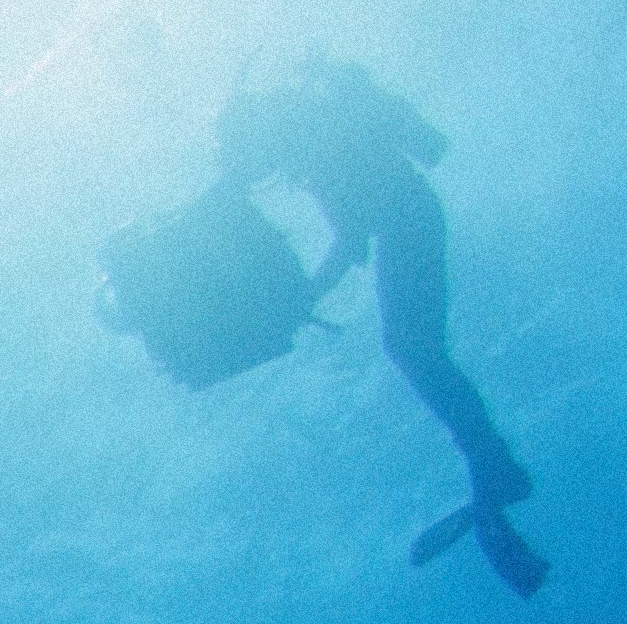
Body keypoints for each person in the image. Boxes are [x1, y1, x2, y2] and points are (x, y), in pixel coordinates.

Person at [216, 58, 548, 596]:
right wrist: (307, 295)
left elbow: (351, 238)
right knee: (415, 350)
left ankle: (493, 462)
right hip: (411, 219)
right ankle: (491, 461)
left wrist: (303, 299)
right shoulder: (315, 134)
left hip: (409, 221)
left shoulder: (314, 142)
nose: (262, 171)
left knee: (413, 349)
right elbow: (355, 231)